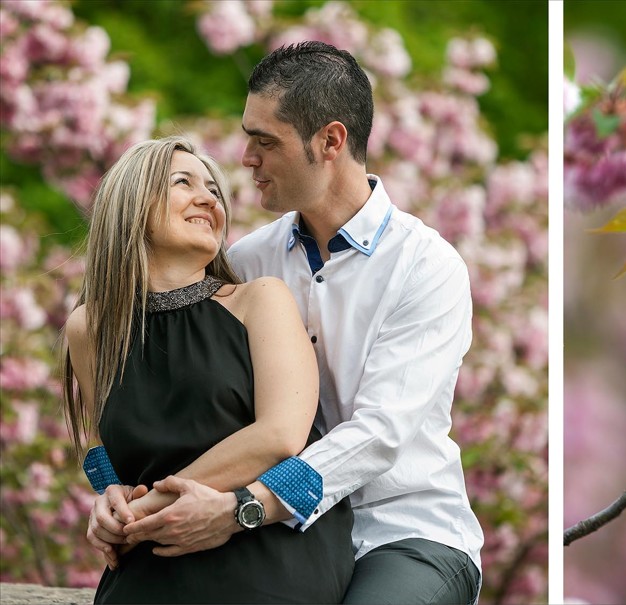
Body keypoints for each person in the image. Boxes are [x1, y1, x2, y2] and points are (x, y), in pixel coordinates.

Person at [86, 42, 484, 605]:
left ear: (330, 141)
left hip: (402, 532)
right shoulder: (246, 262)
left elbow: (380, 434)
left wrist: (244, 506)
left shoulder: (426, 266)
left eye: (264, 141)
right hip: (271, 538)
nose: (245, 159)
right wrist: (112, 492)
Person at [62, 136, 354, 603]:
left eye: (214, 191)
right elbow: (109, 451)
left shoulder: (260, 300)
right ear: (132, 203)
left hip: (262, 547)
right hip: (152, 553)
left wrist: (148, 507)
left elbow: (280, 435)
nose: (208, 199)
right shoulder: (90, 328)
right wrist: (109, 500)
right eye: (184, 182)